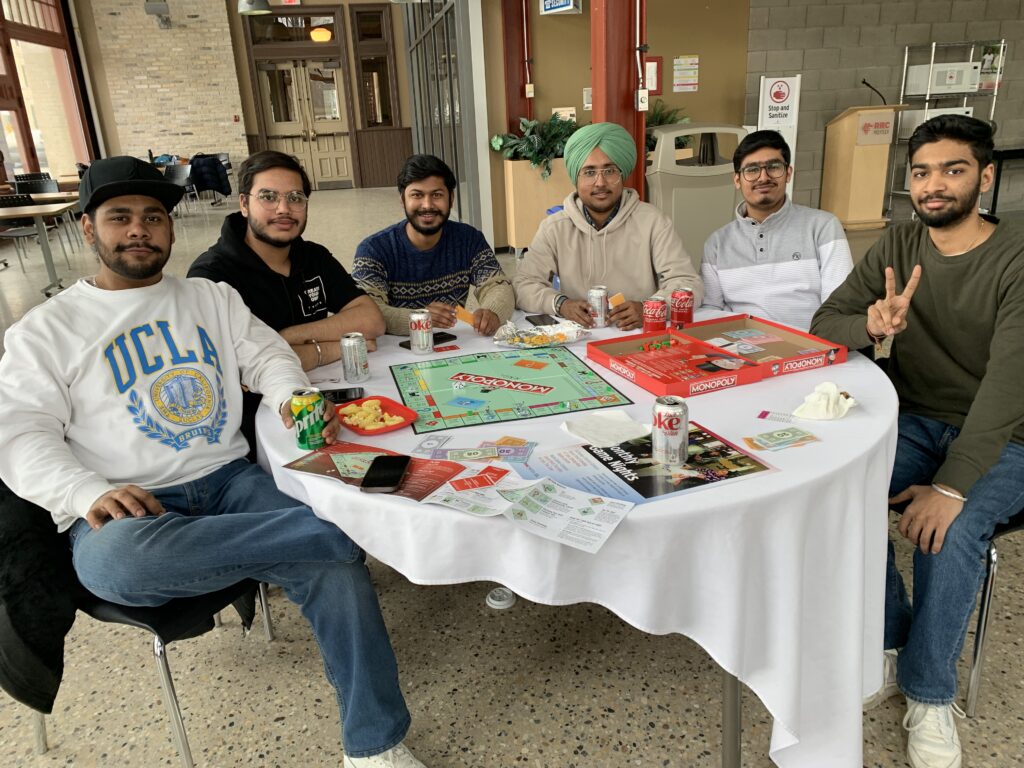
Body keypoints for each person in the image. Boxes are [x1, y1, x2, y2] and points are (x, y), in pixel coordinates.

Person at [0, 157, 426, 768]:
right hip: (129, 502)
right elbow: (19, 433)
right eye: (120, 218)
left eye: (153, 217)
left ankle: (374, 746)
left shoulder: (210, 298)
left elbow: (269, 356)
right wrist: (82, 491)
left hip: (230, 484)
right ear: (89, 229)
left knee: (335, 572)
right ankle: (343, 527)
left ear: (171, 229)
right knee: (115, 564)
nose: (139, 230)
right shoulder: (45, 330)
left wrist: (290, 395)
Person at [811, 115, 1024, 768]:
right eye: (923, 172)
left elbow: (1006, 389)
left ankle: (930, 694)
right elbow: (826, 321)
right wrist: (871, 324)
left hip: (1005, 434)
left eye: (953, 170)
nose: (935, 186)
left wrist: (952, 485)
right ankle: (891, 636)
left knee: (950, 530)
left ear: (985, 177)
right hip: (909, 418)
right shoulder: (897, 243)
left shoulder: (1016, 258)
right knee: (840, 492)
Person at [189, 150, 385, 458]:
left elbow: (371, 321)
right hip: (254, 433)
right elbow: (237, 374)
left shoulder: (313, 256)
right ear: (243, 204)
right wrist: (326, 348)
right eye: (268, 196)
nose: (284, 209)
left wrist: (285, 338)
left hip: (321, 406)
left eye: (295, 198)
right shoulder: (212, 277)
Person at [513, 122, 702, 330]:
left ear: (622, 174)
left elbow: (688, 283)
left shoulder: (653, 222)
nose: (600, 182)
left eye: (610, 170)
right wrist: (561, 305)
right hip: (579, 339)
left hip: (641, 334)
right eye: (589, 172)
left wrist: (650, 308)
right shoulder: (555, 228)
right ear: (576, 177)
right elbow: (523, 285)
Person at [701, 129, 853, 330]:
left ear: (788, 173)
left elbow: (839, 307)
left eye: (773, 167)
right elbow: (710, 309)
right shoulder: (717, 243)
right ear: (737, 180)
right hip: (741, 349)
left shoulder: (823, 227)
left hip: (810, 349)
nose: (763, 177)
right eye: (752, 169)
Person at [352, 154, 514, 336]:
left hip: (455, 345)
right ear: (402, 199)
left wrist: (492, 312)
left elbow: (498, 285)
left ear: (451, 199)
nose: (427, 205)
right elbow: (365, 312)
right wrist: (421, 319)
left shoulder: (468, 239)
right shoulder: (373, 250)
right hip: (395, 351)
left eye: (436, 195)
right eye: (417, 195)